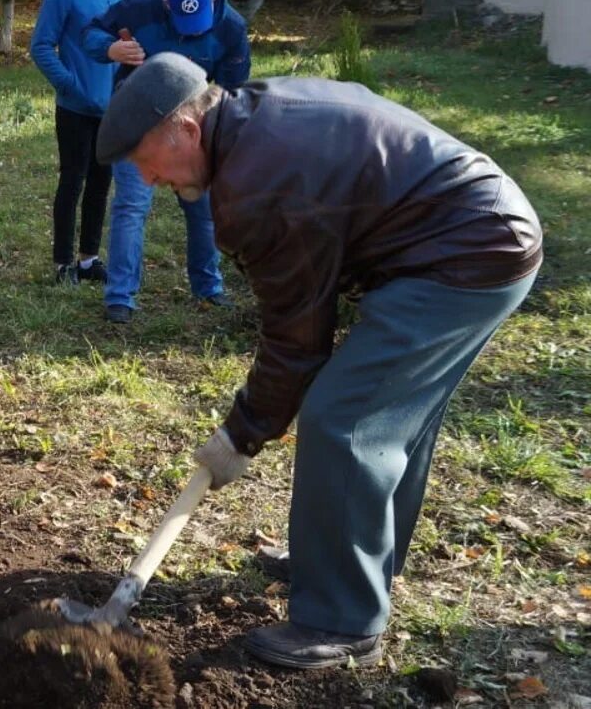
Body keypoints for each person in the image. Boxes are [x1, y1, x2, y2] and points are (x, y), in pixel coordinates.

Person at [96, 53, 542, 669]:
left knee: (347, 417)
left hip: (467, 251)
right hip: (469, 231)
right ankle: (341, 562)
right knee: (389, 420)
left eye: (146, 162)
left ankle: (341, 617)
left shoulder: (261, 183)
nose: (147, 180)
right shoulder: (249, 122)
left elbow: (298, 338)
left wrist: (242, 434)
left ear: (188, 130)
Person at [83, 0, 249, 323]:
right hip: (137, 125)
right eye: (180, 20)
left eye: (198, 23)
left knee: (202, 208)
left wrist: (217, 141)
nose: (189, 32)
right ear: (165, 3)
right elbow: (90, 34)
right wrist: (111, 48)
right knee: (131, 206)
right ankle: (120, 297)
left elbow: (236, 93)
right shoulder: (138, 7)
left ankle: (208, 288)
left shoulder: (231, 28)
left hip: (194, 129)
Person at [28, 0, 133, 286]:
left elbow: (133, 44)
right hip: (75, 107)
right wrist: (68, 85)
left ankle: (89, 259)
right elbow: (41, 46)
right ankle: (62, 263)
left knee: (102, 183)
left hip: (113, 108)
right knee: (73, 181)